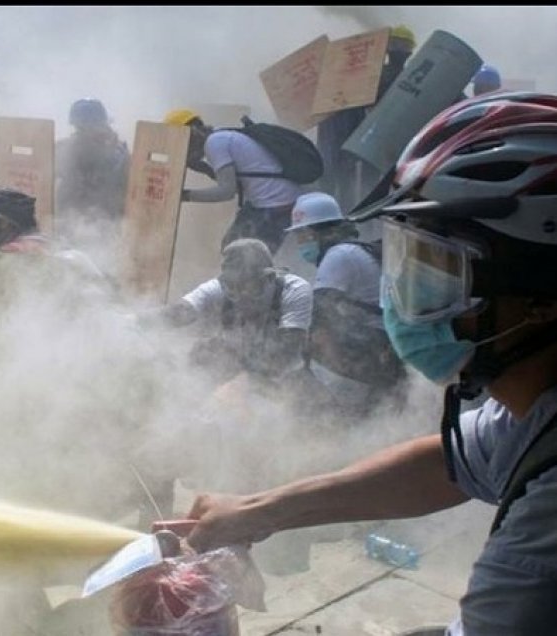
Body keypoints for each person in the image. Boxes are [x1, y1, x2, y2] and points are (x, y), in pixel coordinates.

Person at [186, 91, 557, 635]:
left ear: (540, 296)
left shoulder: (544, 534)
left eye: (437, 269)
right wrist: (257, 510)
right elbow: (449, 465)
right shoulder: (537, 413)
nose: (403, 296)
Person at [286, 191, 405, 416]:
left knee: (304, 345)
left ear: (321, 232)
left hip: (377, 347)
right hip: (383, 343)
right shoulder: (349, 250)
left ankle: (332, 411)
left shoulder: (339, 255)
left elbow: (316, 313)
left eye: (303, 235)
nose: (300, 244)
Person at [158, 238, 312, 389]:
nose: (238, 295)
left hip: (286, 378)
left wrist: (245, 381)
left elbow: (289, 350)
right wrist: (135, 322)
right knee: (204, 351)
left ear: (269, 278)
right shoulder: (218, 287)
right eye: (232, 287)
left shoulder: (294, 290)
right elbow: (179, 312)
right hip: (236, 369)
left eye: (246, 286)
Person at [163, 109, 302, 257]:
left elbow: (226, 191)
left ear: (193, 132)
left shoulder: (215, 143)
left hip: (276, 204)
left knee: (245, 258)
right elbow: (235, 185)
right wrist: (203, 167)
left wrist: (184, 195)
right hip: (269, 202)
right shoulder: (220, 136)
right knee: (232, 247)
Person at [316, 24, 417, 212]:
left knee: (361, 179)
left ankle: (361, 215)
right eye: (396, 44)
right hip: (371, 135)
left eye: (402, 46)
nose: (399, 50)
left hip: (373, 136)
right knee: (363, 179)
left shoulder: (375, 74)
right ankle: (362, 215)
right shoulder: (402, 76)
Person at [55, 98, 130, 246]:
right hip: (73, 220)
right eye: (79, 128)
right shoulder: (67, 148)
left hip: (103, 223)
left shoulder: (116, 151)